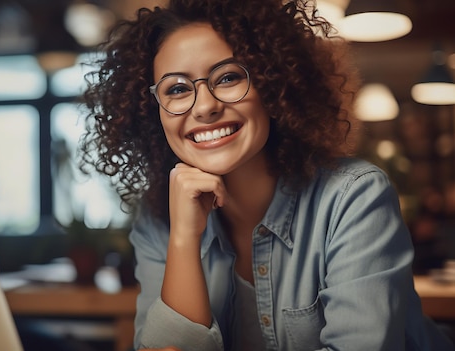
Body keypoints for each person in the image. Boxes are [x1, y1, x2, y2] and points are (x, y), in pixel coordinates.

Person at [80, 0, 454, 350]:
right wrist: (183, 239)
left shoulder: (353, 197)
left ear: (273, 85)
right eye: (177, 89)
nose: (206, 106)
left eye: (227, 78)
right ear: (154, 111)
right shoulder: (158, 221)